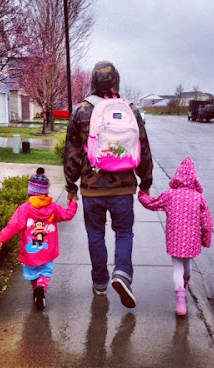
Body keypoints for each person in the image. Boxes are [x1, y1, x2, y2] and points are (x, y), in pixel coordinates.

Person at [64, 60, 153, 309]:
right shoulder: (130, 110)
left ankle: (100, 283)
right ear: (117, 82)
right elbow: (143, 147)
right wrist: (145, 182)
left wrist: (71, 185)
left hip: (91, 188)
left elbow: (71, 151)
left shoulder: (81, 111)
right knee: (123, 232)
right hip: (123, 187)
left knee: (96, 235)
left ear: (93, 81)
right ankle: (122, 273)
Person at [0, 167, 78, 310]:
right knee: (45, 271)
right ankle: (42, 287)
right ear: (46, 192)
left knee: (32, 272)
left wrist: (1, 238)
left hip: (30, 250)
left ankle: (36, 290)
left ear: (30, 191)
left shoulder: (24, 209)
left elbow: (14, 225)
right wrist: (73, 202)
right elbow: (67, 215)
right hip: (47, 249)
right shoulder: (54, 208)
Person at [138, 157, 213, 316]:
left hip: (175, 239)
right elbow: (207, 223)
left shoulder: (170, 195)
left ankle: (180, 302)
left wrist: (142, 195)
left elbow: (152, 203)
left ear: (177, 176)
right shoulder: (198, 198)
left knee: (177, 267)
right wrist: (205, 240)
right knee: (187, 263)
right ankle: (185, 283)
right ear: (194, 178)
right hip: (191, 240)